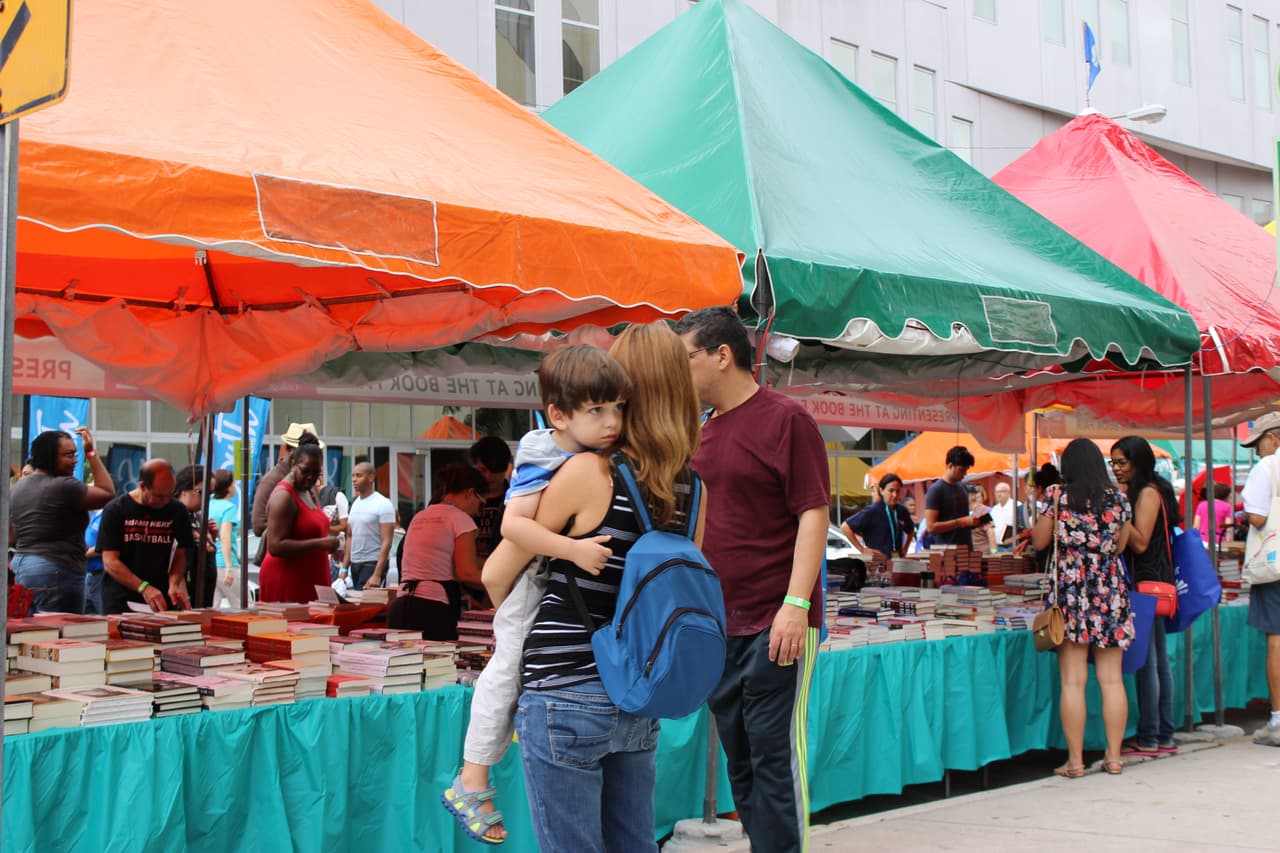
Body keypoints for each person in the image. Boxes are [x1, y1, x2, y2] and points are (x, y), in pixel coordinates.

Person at [516, 321, 705, 851]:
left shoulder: (587, 472)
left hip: (564, 687)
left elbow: (499, 571)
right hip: (637, 694)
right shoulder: (694, 489)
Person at [443, 344, 628, 845]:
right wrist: (572, 549)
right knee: (505, 670)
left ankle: (476, 777)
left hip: (545, 582)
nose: (611, 421)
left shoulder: (589, 452)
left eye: (617, 408)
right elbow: (513, 526)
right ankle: (472, 778)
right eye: (597, 410)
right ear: (558, 414)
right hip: (532, 581)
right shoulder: (543, 449)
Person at [676, 306, 828, 853]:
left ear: (721, 355)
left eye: (684, 357)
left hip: (776, 621)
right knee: (739, 763)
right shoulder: (700, 433)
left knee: (773, 760)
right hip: (719, 624)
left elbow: (814, 511)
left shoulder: (786, 418)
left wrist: (794, 604)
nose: (678, 371)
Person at [1032, 438, 1134, 777]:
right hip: (1109, 591)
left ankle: (1075, 762)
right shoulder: (1119, 497)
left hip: (1072, 593)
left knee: (1073, 682)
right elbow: (1120, 546)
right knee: (1111, 680)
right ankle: (1115, 758)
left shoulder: (1057, 497)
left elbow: (1040, 542)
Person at [1111, 435, 1179, 759]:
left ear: (1138, 461)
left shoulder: (1148, 492)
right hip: (1154, 583)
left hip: (1148, 583)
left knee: (1149, 664)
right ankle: (1163, 735)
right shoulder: (1154, 488)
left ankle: (1150, 736)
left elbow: (1139, 542)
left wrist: (1119, 513)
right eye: (1113, 463)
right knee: (1158, 662)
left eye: (1121, 462)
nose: (1116, 469)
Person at [10, 427, 116, 614]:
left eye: (76, 454)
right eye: (69, 455)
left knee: (32, 636)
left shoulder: (20, 486)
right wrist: (90, 451)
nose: (75, 460)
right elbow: (107, 493)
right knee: (60, 637)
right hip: (56, 570)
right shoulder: (63, 486)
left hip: (23, 567)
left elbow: (11, 536)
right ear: (49, 456)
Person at [389, 465, 488, 639]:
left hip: (401, 605)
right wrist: (505, 585)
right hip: (432, 609)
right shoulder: (460, 519)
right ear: (470, 493)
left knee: (405, 664)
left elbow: (439, 560)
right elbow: (466, 573)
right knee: (437, 664)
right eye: (481, 502)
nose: (478, 511)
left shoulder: (420, 516)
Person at [98, 459, 195, 613]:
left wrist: (174, 583)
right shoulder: (116, 510)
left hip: (161, 599)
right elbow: (110, 561)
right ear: (143, 486)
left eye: (170, 495)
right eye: (159, 496)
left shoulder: (178, 511)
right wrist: (143, 587)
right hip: (122, 599)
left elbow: (180, 555)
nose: (165, 501)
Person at [1238, 412, 1280, 746]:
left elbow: (1258, 516)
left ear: (1274, 438)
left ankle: (1279, 719)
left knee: (1277, 640)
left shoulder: (1267, 468)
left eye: (1259, 443)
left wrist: (1244, 514)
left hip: (1275, 566)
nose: (1257, 451)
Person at [258, 434, 340, 603]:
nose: (310, 477)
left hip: (308, 578)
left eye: (316, 473)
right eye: (305, 471)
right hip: (287, 579)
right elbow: (275, 545)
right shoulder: (284, 496)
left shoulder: (309, 490)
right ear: (293, 464)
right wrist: (321, 544)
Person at [251, 422, 322, 561]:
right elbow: (258, 525)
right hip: (285, 562)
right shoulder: (272, 482)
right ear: (289, 450)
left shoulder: (308, 484)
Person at [344, 461, 396, 590]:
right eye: (353, 476)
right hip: (355, 564)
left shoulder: (383, 504)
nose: (354, 480)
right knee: (355, 603)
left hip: (372, 563)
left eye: (359, 476)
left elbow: (387, 541)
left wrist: (377, 574)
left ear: (371, 477)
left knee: (366, 604)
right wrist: (344, 568)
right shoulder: (354, 503)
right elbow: (350, 536)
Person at [841, 473, 915, 561]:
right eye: (891, 490)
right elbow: (845, 527)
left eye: (898, 491)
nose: (895, 495)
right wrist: (861, 549)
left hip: (896, 561)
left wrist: (905, 548)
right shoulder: (872, 511)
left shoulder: (901, 511)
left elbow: (910, 531)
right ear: (881, 490)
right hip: (876, 562)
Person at [924, 445, 982, 548]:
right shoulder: (935, 490)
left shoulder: (963, 486)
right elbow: (931, 527)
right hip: (946, 553)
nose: (964, 474)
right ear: (950, 466)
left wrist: (973, 522)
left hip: (966, 550)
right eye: (961, 470)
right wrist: (962, 522)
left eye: (966, 470)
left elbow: (962, 518)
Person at [176, 464, 215, 608]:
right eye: (201, 492)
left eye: (210, 495)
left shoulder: (198, 517)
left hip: (204, 593)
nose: (206, 499)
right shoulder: (176, 515)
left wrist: (212, 537)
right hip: (186, 592)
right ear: (184, 490)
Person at [470, 436, 513, 564]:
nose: (488, 476)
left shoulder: (515, 501)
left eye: (495, 470)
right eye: (482, 470)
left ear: (506, 467)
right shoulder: (463, 500)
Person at [207, 470, 241, 609]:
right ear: (228, 486)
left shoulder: (208, 504)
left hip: (211, 563)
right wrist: (229, 567)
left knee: (211, 608)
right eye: (233, 483)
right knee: (244, 607)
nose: (234, 486)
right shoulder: (229, 508)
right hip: (226, 564)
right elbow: (225, 536)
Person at [1193, 481, 1235, 548]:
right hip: (1219, 541)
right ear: (1226, 495)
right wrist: (1228, 542)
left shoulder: (1201, 505)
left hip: (1202, 540)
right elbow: (1228, 528)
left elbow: (1196, 526)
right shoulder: (1227, 507)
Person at [83, 510, 105, 615]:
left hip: (100, 574)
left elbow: (106, 544)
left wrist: (83, 553)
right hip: (87, 576)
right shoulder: (91, 514)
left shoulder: (107, 514)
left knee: (103, 614)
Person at [990, 481, 1022, 552]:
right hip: (996, 547)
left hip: (1012, 547)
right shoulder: (994, 509)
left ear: (1008, 492)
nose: (998, 494)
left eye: (1001, 491)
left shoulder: (1016, 505)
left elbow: (1021, 526)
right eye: (996, 492)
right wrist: (993, 549)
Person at [968, 483, 994, 553]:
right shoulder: (962, 511)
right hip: (966, 555)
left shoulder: (983, 511)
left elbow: (991, 533)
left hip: (982, 554)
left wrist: (994, 552)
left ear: (972, 495)